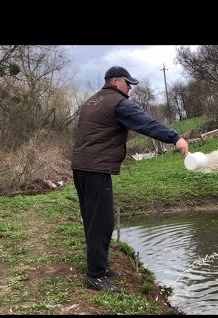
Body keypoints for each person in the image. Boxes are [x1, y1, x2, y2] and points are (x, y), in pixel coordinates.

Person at [71, 66, 189, 292]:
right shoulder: (117, 102)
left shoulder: (92, 101)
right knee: (102, 222)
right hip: (96, 168)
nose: (130, 89)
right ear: (116, 81)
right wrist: (175, 138)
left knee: (92, 219)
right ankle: (95, 275)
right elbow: (145, 122)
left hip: (81, 166)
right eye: (128, 83)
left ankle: (101, 266)